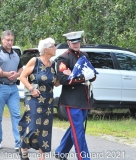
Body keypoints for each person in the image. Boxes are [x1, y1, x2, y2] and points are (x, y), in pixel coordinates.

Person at [54, 31, 96, 160]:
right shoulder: (63, 58)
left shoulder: (84, 55)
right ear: (68, 43)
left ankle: (61, 151)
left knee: (75, 127)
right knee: (78, 131)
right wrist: (83, 77)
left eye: (78, 42)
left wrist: (74, 75)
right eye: (73, 42)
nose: (76, 44)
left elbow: (93, 75)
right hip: (71, 99)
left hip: (83, 98)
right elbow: (63, 79)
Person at [18, 38, 59, 160]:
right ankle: (24, 148)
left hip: (48, 100)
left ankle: (42, 156)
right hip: (34, 99)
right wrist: (31, 89)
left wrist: (65, 76)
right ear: (46, 49)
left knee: (45, 128)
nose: (55, 48)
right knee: (33, 127)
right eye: (53, 46)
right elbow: (22, 76)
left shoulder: (53, 64)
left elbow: (55, 83)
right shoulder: (35, 61)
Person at [0, 30, 23, 151]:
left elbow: (21, 68)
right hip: (0, 87)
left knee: (17, 115)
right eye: (7, 40)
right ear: (2, 40)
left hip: (13, 88)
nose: (10, 42)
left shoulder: (16, 53)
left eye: (12, 40)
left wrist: (17, 75)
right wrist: (6, 74)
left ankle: (19, 143)